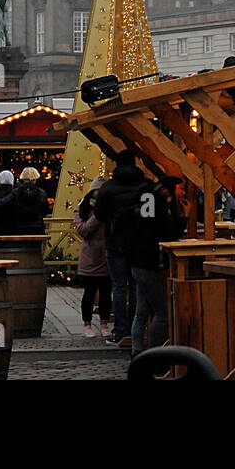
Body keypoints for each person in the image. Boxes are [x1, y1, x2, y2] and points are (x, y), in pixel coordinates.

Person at [94, 149, 146, 348]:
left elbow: (99, 214)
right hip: (138, 242)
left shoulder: (108, 188)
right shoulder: (144, 186)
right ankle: (136, 328)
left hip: (115, 241)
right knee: (135, 286)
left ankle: (120, 330)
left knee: (118, 286)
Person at [128, 177, 180, 357]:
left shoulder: (143, 200)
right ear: (167, 190)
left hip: (136, 260)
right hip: (149, 262)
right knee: (162, 312)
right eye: (178, 189)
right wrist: (183, 216)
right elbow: (169, 234)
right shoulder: (158, 205)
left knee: (141, 311)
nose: (180, 192)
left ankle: (137, 351)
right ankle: (153, 353)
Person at [74, 177, 112, 337]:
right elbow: (82, 230)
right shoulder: (81, 209)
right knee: (89, 293)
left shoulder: (110, 208)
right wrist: (97, 216)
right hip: (89, 257)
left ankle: (104, 323)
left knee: (105, 292)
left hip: (106, 256)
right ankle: (87, 324)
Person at [14, 166, 51, 234]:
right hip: (37, 226)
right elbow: (45, 210)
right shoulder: (41, 192)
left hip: (20, 226)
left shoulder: (16, 192)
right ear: (35, 179)